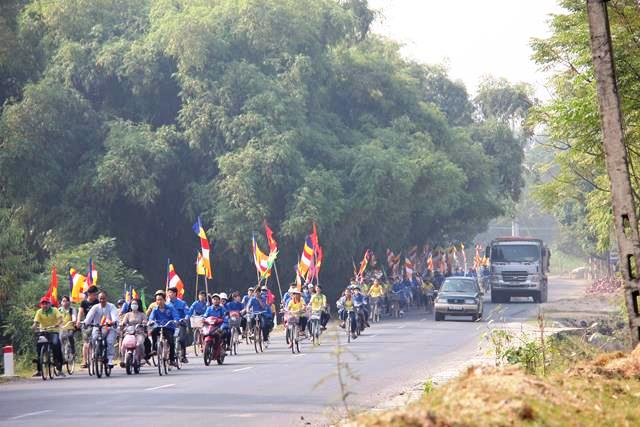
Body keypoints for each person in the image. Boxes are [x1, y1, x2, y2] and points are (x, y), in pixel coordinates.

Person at [83, 290, 119, 368]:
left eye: (104, 298)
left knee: (109, 341)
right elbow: (89, 317)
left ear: (106, 298)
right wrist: (85, 323)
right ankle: (95, 353)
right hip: (98, 327)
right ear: (98, 298)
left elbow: (115, 317)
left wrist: (113, 322)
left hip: (110, 328)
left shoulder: (112, 306)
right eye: (100, 298)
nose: (102, 300)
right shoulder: (95, 307)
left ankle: (109, 360)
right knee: (94, 338)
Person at [32, 297, 63, 376]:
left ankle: (57, 363)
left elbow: (60, 319)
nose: (44, 305)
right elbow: (36, 322)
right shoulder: (39, 312)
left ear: (49, 304)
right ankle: (39, 370)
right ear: (40, 305)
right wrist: (34, 326)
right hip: (43, 331)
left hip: (53, 331)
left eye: (46, 303)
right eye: (43, 304)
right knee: (39, 347)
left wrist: (57, 323)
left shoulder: (55, 310)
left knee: (56, 344)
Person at [148, 291, 179, 365]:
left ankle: (172, 359)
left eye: (160, 299)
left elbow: (176, 316)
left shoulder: (170, 308)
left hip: (169, 327)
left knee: (171, 342)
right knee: (153, 332)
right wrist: (150, 322)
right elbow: (151, 318)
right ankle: (154, 349)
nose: (159, 301)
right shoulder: (155, 309)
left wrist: (175, 321)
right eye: (157, 300)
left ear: (164, 300)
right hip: (159, 326)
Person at [119, 298, 149, 366]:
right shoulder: (127, 314)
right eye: (132, 304)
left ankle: (141, 357)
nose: (134, 305)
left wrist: (144, 323)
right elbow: (123, 322)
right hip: (129, 333)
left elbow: (145, 321)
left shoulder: (142, 314)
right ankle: (123, 359)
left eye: (135, 304)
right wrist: (122, 324)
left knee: (139, 344)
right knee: (124, 344)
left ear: (138, 305)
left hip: (139, 333)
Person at [76, 285, 99, 368]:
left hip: (96, 324)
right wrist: (78, 321)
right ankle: (85, 361)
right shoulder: (84, 302)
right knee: (86, 343)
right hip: (87, 324)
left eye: (96, 294)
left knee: (97, 340)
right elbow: (80, 312)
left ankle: (97, 356)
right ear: (89, 294)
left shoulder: (97, 302)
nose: (95, 296)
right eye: (94, 294)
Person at [166, 286, 189, 364]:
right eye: (168, 292)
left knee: (181, 339)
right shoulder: (166, 304)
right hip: (170, 324)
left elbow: (187, 313)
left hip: (180, 324)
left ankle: (183, 356)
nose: (169, 294)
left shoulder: (182, 303)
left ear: (175, 293)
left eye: (170, 292)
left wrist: (185, 318)